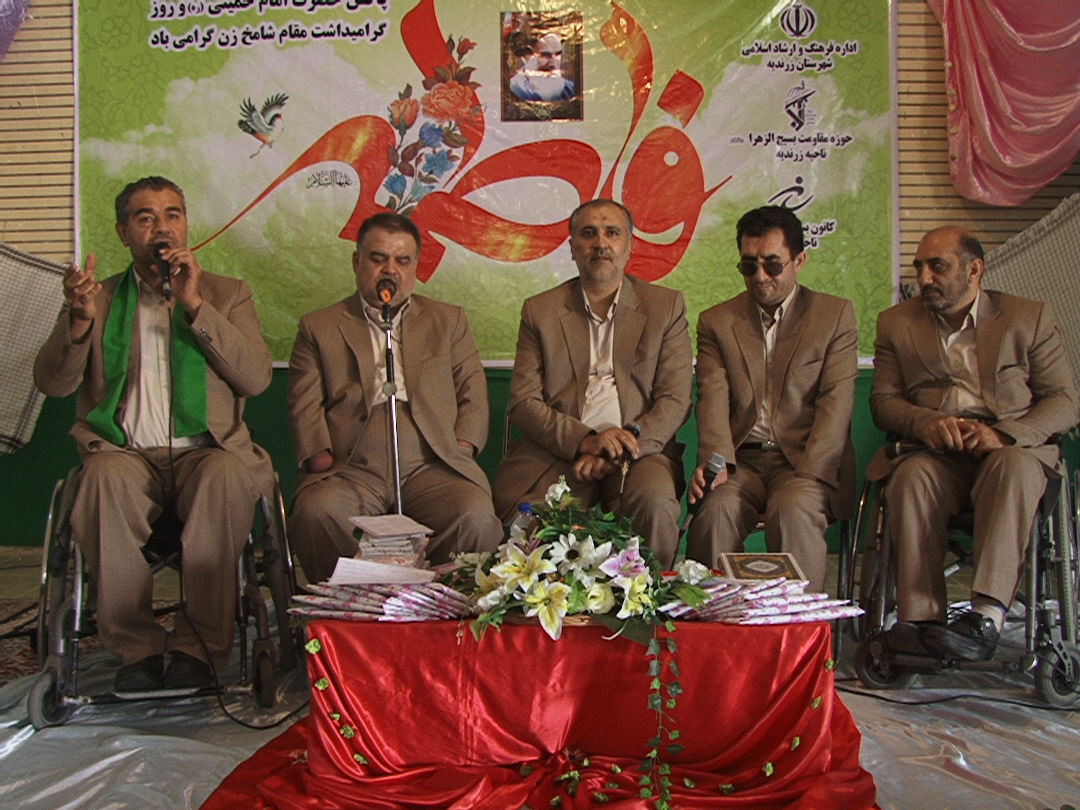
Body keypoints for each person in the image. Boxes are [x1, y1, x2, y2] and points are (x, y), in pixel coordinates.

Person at [33, 176, 274, 691]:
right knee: (100, 477)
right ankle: (136, 650)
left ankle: (198, 648)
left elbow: (255, 378)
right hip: (126, 455)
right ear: (124, 233)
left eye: (172, 215)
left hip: (206, 453)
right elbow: (52, 383)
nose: (161, 228)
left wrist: (195, 305)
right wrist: (78, 324)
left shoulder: (227, 294)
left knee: (226, 475)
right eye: (145, 218)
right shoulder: (98, 299)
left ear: (186, 225)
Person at [868, 226, 1080, 660]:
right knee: (910, 478)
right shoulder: (897, 323)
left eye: (937, 267)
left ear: (974, 269)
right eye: (919, 267)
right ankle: (920, 622)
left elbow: (1065, 401)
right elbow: (884, 402)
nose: (924, 278)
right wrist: (925, 422)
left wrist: (1003, 435)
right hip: (936, 454)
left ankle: (986, 618)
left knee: (1012, 466)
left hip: (1009, 450)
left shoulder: (1027, 317)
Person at [286, 212, 502, 583]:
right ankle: (356, 603)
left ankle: (433, 601)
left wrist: (462, 446)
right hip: (351, 465)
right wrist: (319, 453)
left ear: (415, 267)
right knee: (316, 514)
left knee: (475, 516)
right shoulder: (319, 326)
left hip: (430, 461)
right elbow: (303, 402)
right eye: (378, 258)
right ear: (357, 262)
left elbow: (473, 391)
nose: (391, 270)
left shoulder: (447, 320)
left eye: (403, 260)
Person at [493, 199, 693, 567]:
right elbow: (523, 402)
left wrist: (620, 447)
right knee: (535, 524)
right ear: (572, 247)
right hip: (558, 451)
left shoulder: (665, 307)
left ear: (629, 245)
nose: (600, 243)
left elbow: (675, 399)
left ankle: (653, 599)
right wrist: (586, 442)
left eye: (612, 233)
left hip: (641, 451)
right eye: (588, 234)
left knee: (654, 502)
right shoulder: (541, 310)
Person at [687, 206, 858, 592]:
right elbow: (712, 399)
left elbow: (837, 403)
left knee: (793, 509)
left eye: (773, 264)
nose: (760, 276)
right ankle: (714, 621)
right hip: (741, 461)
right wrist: (716, 464)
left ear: (800, 261)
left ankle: (801, 626)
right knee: (715, 510)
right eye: (749, 266)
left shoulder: (834, 316)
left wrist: (811, 472)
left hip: (803, 461)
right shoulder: (717, 321)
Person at [509, 32, 576, 102]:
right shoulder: (513, 92)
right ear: (526, 57)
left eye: (558, 54)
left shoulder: (571, 89)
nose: (554, 62)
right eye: (546, 55)